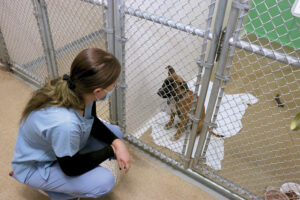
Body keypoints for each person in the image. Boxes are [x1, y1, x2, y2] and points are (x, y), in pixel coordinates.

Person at [11, 48, 130, 200]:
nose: (115, 87)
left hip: (58, 148)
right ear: (98, 91)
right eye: (113, 85)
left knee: (116, 134)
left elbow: (91, 121)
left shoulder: (81, 91)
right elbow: (71, 168)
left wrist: (117, 143)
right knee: (103, 182)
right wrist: (111, 151)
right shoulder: (66, 123)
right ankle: (56, 191)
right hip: (36, 166)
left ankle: (62, 186)